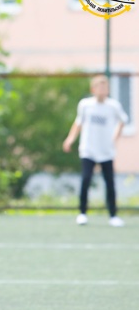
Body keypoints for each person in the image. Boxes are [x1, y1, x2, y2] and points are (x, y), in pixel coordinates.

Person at [63, 74, 128, 227]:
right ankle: (82, 213)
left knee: (110, 183)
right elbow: (78, 123)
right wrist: (70, 139)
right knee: (86, 180)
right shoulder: (85, 105)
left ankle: (113, 215)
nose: (102, 90)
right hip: (88, 150)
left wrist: (115, 137)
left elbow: (122, 121)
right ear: (93, 89)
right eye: (99, 87)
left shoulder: (113, 106)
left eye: (105, 87)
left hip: (106, 151)